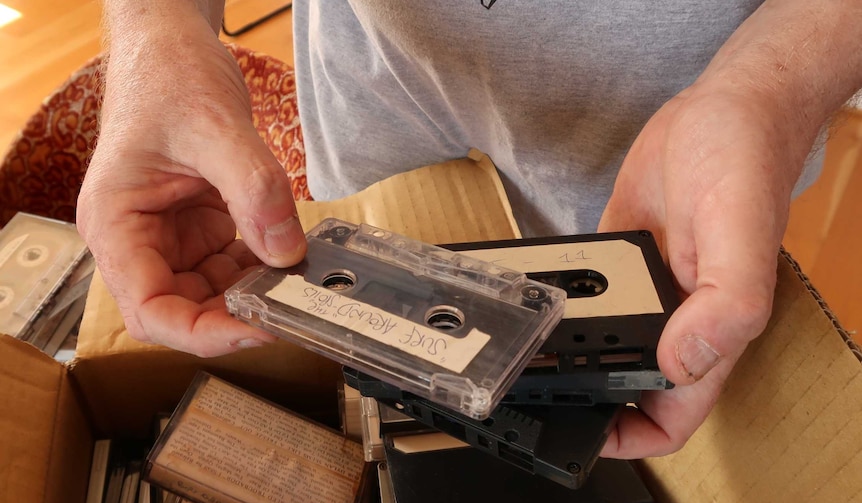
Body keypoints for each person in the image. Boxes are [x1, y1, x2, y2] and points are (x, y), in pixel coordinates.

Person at [77, 0, 862, 460]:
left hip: (683, 146)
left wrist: (776, 87)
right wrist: (158, 33)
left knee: (660, 346)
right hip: (383, 110)